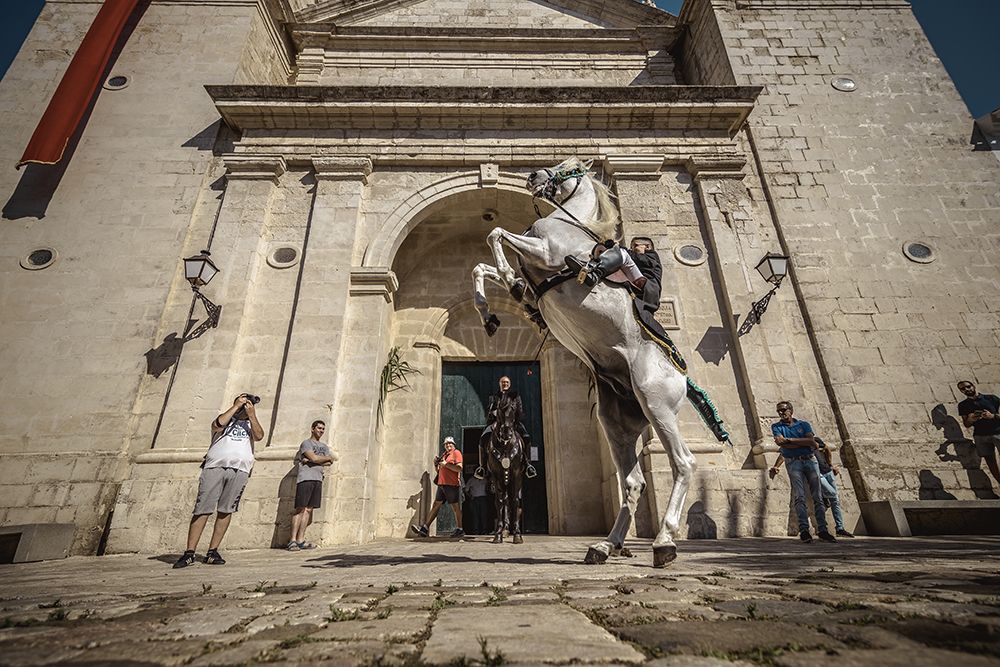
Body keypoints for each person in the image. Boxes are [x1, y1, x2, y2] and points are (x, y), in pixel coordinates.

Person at [173, 393, 264, 568]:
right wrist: (236, 406)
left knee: (226, 510)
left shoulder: (250, 425)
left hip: (240, 470)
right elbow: (218, 424)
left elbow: (259, 436)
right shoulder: (226, 419)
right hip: (215, 467)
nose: (247, 406)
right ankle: (189, 552)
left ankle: (212, 551)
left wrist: (252, 415)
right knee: (203, 509)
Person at [768, 401, 835, 544]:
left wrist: (789, 441)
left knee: (817, 496)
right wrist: (802, 442)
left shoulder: (803, 425)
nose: (781, 413)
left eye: (784, 410)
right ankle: (804, 530)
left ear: (791, 410)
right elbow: (781, 443)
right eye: (779, 411)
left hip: (810, 460)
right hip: (793, 462)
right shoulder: (776, 426)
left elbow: (812, 442)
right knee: (800, 497)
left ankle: (822, 530)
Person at [287, 420, 337, 551]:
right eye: (319, 428)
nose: (321, 431)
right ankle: (292, 540)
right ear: (312, 429)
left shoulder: (324, 446)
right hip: (306, 478)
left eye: (323, 429)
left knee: (309, 510)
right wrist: (318, 459)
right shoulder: (306, 443)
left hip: (318, 479)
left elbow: (329, 462)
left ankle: (301, 540)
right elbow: (318, 459)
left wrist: (312, 459)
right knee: (300, 509)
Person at [478, 376, 536, 479]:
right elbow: (488, 412)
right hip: (496, 423)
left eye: (507, 382)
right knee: (483, 438)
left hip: (513, 422)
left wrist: (514, 418)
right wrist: (493, 414)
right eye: (503, 382)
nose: (505, 384)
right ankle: (482, 467)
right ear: (500, 384)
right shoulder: (494, 397)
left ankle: (528, 464)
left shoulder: (515, 397)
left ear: (509, 384)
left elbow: (519, 409)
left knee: (526, 437)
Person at [411, 437, 464, 538]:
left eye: (450, 444)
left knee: (455, 507)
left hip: (451, 484)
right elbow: (439, 471)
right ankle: (425, 528)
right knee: (436, 505)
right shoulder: (444, 455)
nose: (448, 446)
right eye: (446, 444)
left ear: (453, 445)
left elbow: (459, 468)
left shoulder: (456, 453)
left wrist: (446, 464)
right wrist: (436, 465)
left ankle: (460, 529)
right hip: (442, 484)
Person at [957, 380, 1000, 487]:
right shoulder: (963, 405)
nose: (967, 389)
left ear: (973, 386)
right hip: (980, 436)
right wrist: (971, 419)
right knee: (991, 463)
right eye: (963, 389)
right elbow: (966, 424)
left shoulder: (991, 398)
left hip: (997, 432)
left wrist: (992, 416)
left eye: (968, 386)